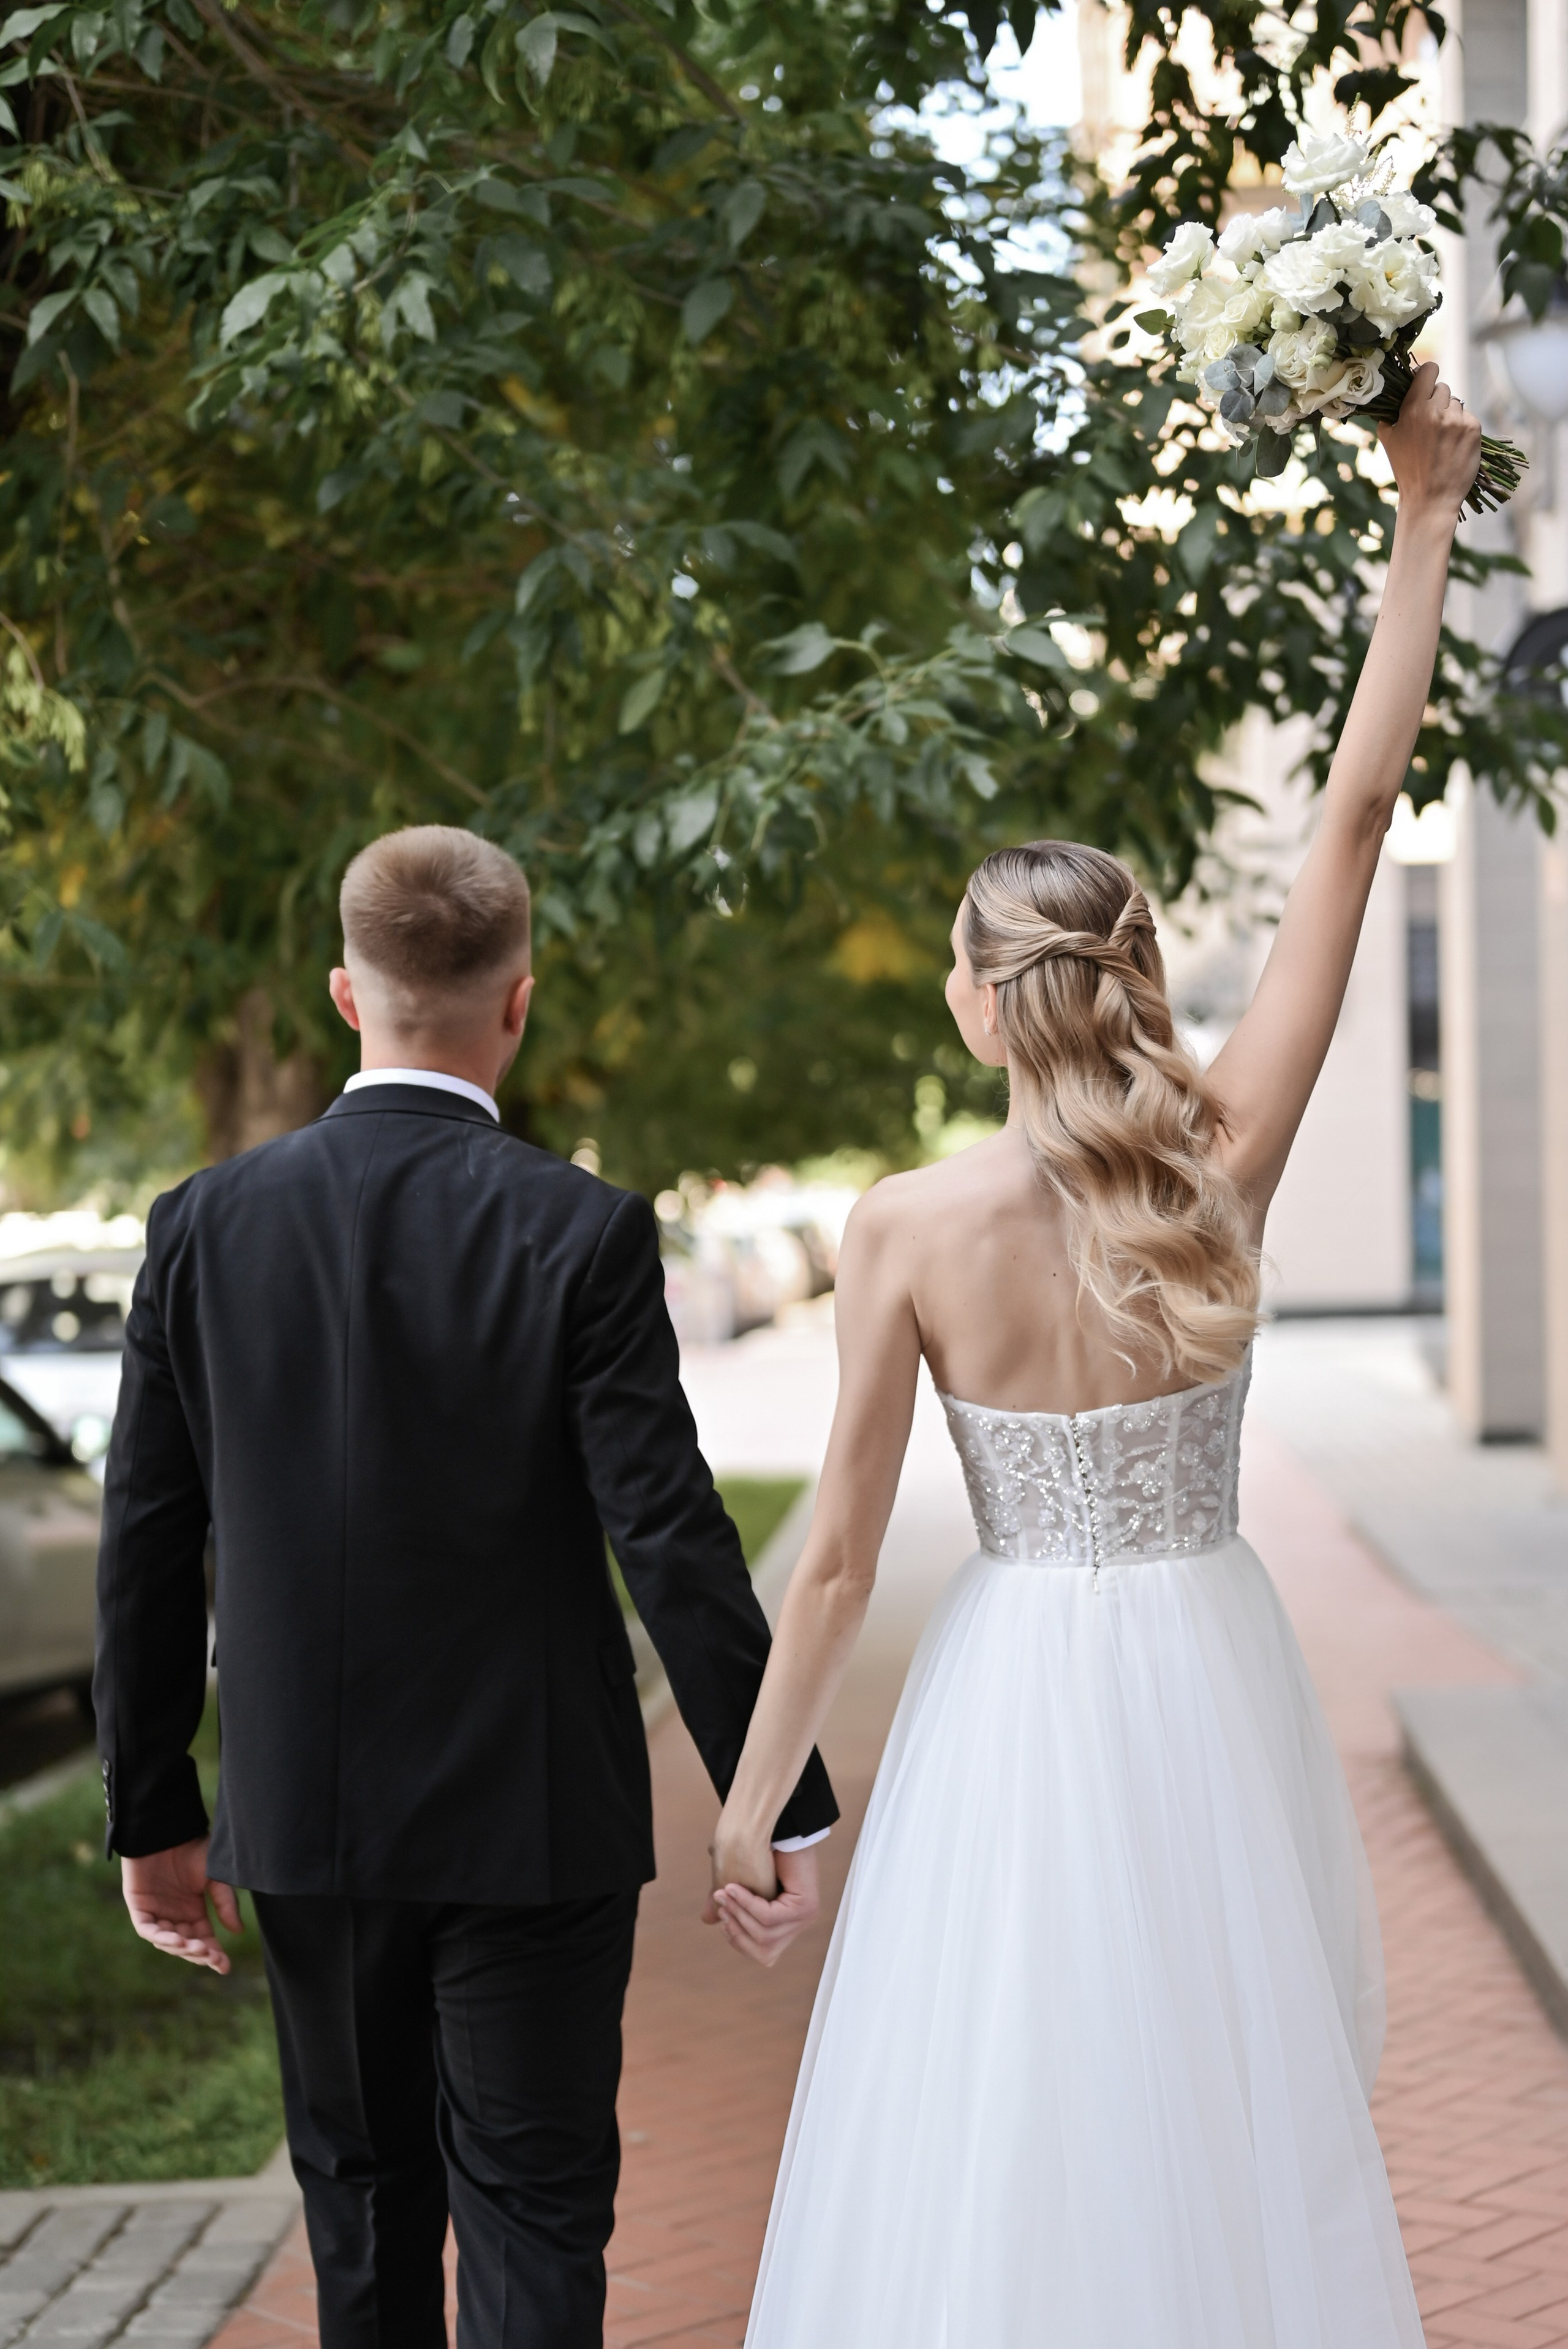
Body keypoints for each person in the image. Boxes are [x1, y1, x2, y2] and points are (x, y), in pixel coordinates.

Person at [706, 364, 1480, 2347]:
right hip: (1209, 1658)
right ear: (1131, 977)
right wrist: (1422, 511)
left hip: (1015, 1688)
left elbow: (852, 1560)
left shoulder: (899, 1226)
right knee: (1224, 2090)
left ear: (981, 1002)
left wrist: (756, 1797)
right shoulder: (1227, 1150)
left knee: (1000, 2094)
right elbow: (1359, 814)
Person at [93, 824, 837, 2349]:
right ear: (518, 1002)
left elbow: (147, 1539)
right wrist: (773, 1797)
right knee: (538, 2209)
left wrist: (151, 1805)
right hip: (534, 1815)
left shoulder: (203, 1227)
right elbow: (672, 1534)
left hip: (309, 1810)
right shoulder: (582, 1230)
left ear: (343, 996)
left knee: (359, 2206)